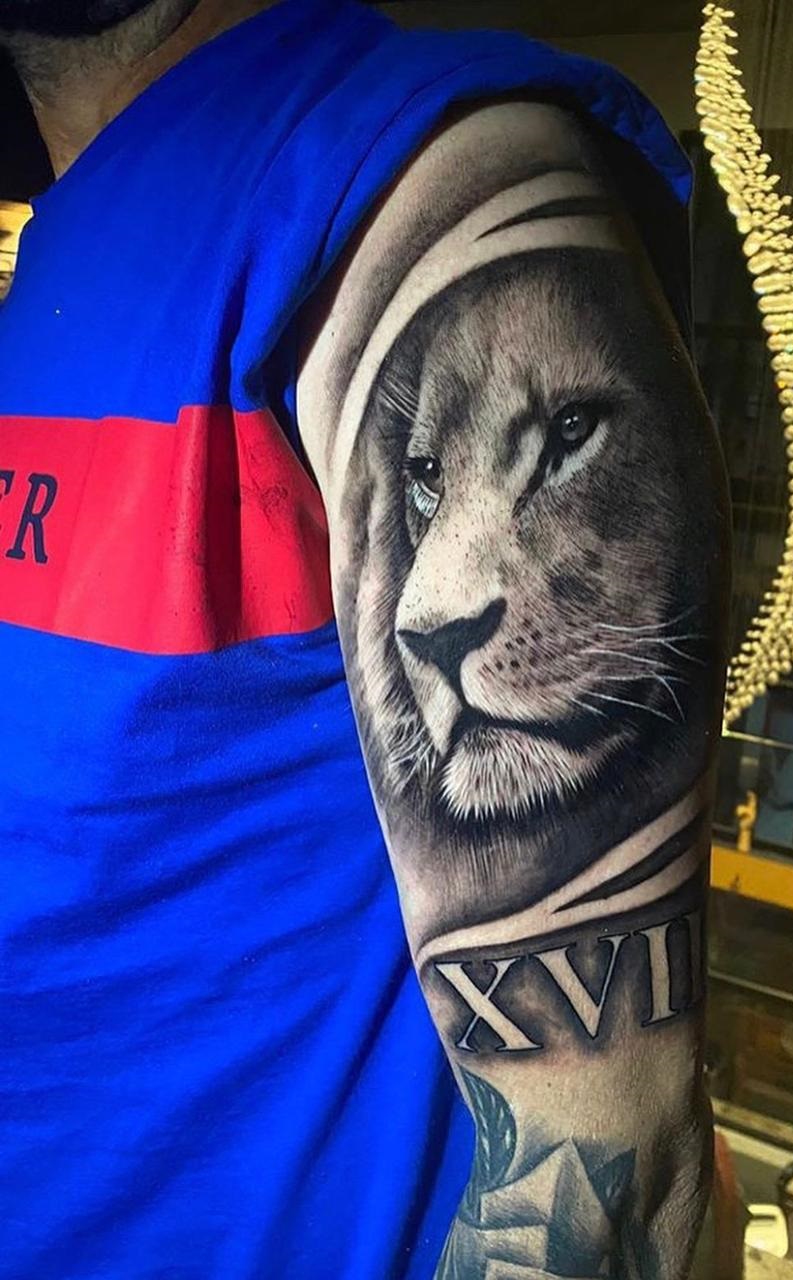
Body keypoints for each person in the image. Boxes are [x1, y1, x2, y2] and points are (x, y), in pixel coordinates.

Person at [0, 1, 731, 1276]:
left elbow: (609, 1182)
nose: (444, 601)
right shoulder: (49, 257)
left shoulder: (407, 174)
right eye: (430, 484)